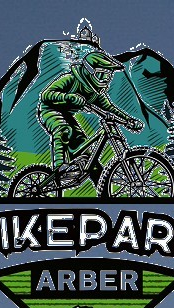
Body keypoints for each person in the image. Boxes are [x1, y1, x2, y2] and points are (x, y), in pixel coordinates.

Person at [34, 23, 135, 188]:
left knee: (86, 153)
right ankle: (60, 166)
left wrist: (128, 120)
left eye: (108, 77)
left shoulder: (95, 92)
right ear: (89, 70)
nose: (104, 80)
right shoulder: (71, 79)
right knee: (63, 130)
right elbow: (46, 95)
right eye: (101, 74)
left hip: (66, 114)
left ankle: (102, 189)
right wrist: (70, 97)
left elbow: (110, 107)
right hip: (49, 110)